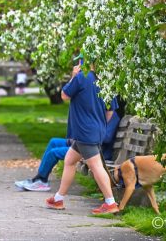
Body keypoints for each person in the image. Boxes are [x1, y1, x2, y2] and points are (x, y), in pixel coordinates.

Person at [45, 59, 119, 215]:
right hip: (94, 131)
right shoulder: (105, 80)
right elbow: (111, 110)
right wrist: (98, 123)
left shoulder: (81, 77)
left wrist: (73, 76)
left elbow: (64, 95)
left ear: (82, 63)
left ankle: (110, 202)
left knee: (96, 166)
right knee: (70, 160)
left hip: (85, 132)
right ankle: (58, 198)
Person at [15, 97, 121, 192]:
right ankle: (39, 178)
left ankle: (41, 181)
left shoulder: (113, 116)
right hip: (83, 143)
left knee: (53, 153)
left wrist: (83, 137)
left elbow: (105, 138)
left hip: (95, 151)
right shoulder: (99, 112)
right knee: (54, 142)